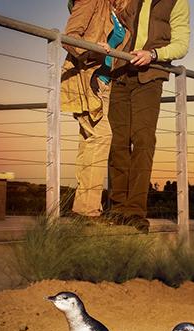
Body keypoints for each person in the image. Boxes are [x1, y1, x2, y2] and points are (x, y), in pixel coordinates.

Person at [107, 0, 190, 233]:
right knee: (117, 142)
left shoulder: (177, 2)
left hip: (150, 77)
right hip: (119, 74)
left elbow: (182, 45)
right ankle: (116, 209)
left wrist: (153, 54)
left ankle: (134, 211)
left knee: (143, 139)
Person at [60, 0, 130, 219]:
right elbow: (69, 37)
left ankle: (83, 209)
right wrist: (95, 50)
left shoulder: (117, 12)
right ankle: (88, 211)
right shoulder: (92, 0)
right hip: (85, 78)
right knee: (101, 137)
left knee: (89, 141)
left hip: (105, 84)